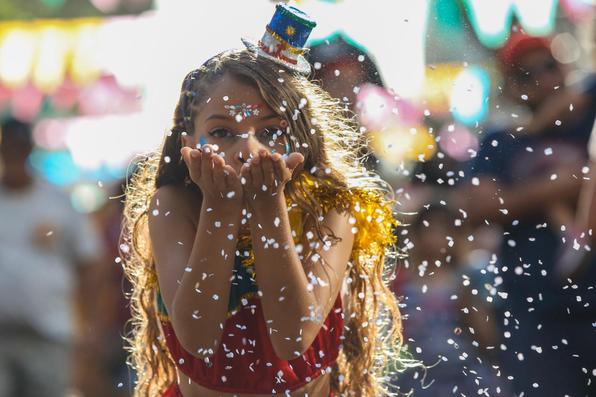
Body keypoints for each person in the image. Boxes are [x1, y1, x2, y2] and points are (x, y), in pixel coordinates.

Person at [122, 4, 406, 397]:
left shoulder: (329, 207)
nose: (248, 148)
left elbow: (293, 338)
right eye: (222, 132)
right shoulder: (174, 206)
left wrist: (268, 208)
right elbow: (198, 339)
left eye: (270, 132)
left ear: (302, 144)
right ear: (188, 146)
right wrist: (218, 211)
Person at [466, 30, 596, 396]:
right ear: (511, 85)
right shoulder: (502, 140)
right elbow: (478, 207)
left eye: (550, 66)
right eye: (526, 74)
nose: (543, 79)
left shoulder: (589, 120)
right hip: (534, 312)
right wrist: (565, 184)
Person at [0, 118, 103, 397]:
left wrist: (89, 324)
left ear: (29, 150)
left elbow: (89, 264)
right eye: (8, 148)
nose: (13, 155)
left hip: (48, 333)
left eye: (19, 147)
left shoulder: (57, 201)